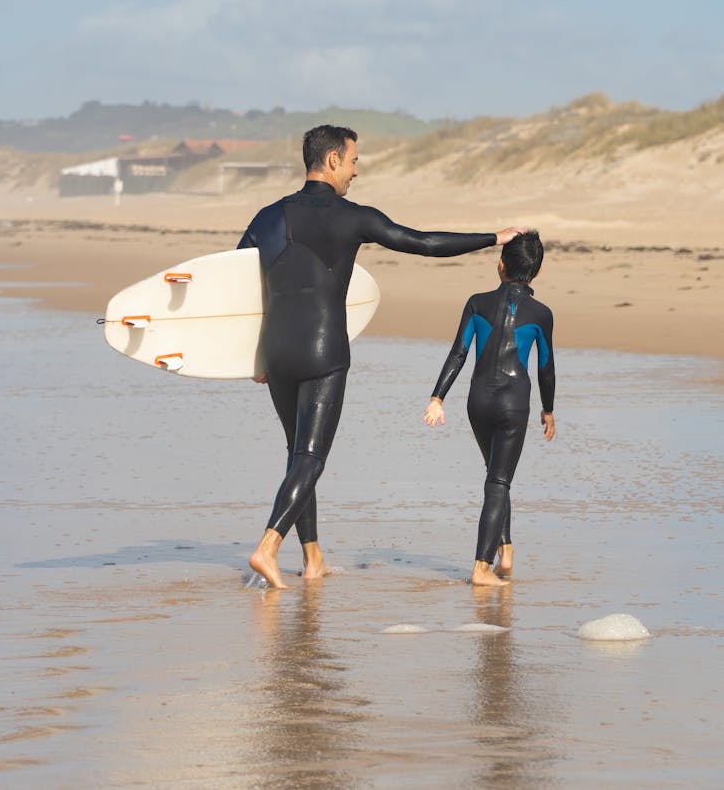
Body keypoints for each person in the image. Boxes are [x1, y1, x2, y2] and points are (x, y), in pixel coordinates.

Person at [238, 123, 525, 588]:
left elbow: (237, 285)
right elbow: (421, 242)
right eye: (353, 161)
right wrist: (492, 238)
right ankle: (267, 547)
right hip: (323, 349)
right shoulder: (352, 216)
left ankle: (312, 559)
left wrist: (251, 356)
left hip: (275, 350)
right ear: (331, 160)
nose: (356, 171)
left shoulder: (266, 217)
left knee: (296, 455)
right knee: (311, 456)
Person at [423, 231, 555, 587]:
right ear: (536, 273)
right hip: (513, 404)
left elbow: (459, 352)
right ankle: (482, 566)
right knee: (499, 479)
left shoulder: (477, 303)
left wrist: (437, 397)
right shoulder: (541, 314)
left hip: (477, 402)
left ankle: (506, 551)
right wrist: (548, 409)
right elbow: (545, 365)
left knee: (497, 474)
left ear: (500, 265)